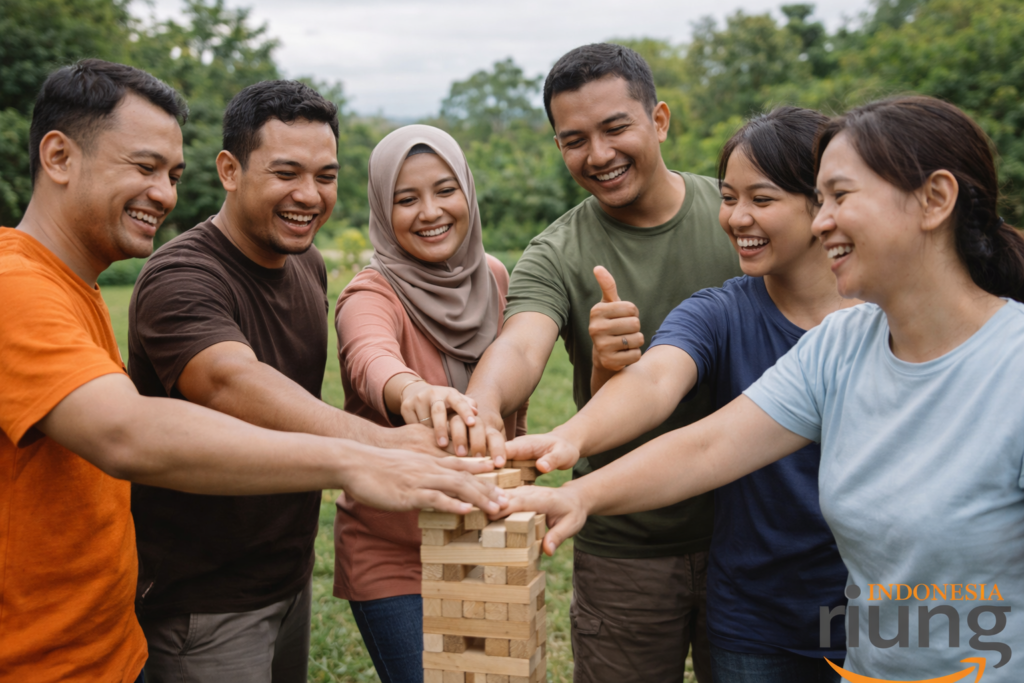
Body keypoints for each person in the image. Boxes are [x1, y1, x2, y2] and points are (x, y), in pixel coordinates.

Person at [0, 59, 500, 683]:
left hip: (253, 588)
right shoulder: (26, 287)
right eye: (144, 166)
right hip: (186, 610)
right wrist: (367, 452)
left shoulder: (298, 265)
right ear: (58, 157)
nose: (163, 192)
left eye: (172, 174)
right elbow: (190, 400)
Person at [502, 96, 1024, 682]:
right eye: (820, 200)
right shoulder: (841, 344)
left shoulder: (1010, 366)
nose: (823, 220)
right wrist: (579, 491)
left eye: (840, 198)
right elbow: (708, 445)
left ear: (934, 200)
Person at [128, 81, 471, 683]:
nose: (309, 196)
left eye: (326, 176)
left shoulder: (305, 263)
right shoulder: (180, 276)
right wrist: (379, 447)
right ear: (230, 170)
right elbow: (229, 381)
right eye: (286, 173)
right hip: (203, 600)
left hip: (285, 577)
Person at [507, 107, 853, 682]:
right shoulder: (719, 311)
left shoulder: (880, 320)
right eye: (729, 197)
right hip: (755, 616)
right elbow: (656, 382)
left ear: (822, 204)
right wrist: (571, 439)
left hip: (866, 607)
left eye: (761, 200)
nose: (737, 217)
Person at [448, 43, 742, 682]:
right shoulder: (556, 250)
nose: (599, 155)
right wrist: (485, 406)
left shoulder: (737, 217)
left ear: (658, 120)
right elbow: (522, 343)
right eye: (574, 140)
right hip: (623, 546)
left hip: (750, 540)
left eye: (616, 128)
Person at [331, 125, 528, 683]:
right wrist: (412, 390)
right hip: (396, 554)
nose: (429, 211)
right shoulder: (370, 293)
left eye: (444, 190)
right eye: (405, 198)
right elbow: (369, 358)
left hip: (486, 537)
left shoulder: (493, 277)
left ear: (467, 190)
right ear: (380, 207)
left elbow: (510, 408)